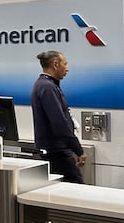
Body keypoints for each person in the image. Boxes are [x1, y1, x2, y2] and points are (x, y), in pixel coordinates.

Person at [31, 50, 87, 184]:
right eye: (65, 64)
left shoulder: (44, 85)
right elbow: (60, 123)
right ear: (55, 64)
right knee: (77, 190)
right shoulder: (47, 87)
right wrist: (78, 150)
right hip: (57, 153)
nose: (67, 68)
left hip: (54, 151)